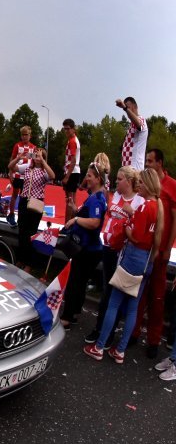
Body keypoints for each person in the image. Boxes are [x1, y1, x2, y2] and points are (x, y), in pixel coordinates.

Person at [84, 168, 161, 364]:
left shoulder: (145, 207)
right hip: (145, 260)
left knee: (114, 303)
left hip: (133, 257)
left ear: (148, 185)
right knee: (133, 308)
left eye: (142, 183)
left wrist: (126, 227)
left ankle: (100, 346)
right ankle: (120, 350)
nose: (139, 186)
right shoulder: (156, 207)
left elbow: (137, 236)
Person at [82, 166, 143, 344]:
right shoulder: (115, 196)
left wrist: (130, 214)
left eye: (120, 179)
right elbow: (109, 216)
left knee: (116, 293)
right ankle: (100, 328)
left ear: (129, 182)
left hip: (124, 253)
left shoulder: (138, 201)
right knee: (107, 290)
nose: (116, 182)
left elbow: (139, 228)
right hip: (108, 248)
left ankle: (108, 335)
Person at [132, 149, 176, 359]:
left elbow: (174, 220)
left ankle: (154, 340)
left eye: (150, 161)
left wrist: (167, 248)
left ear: (160, 162)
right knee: (138, 295)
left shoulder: (172, 185)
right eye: (146, 160)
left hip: (159, 253)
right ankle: (133, 331)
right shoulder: (145, 184)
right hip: (143, 250)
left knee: (157, 298)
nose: (147, 164)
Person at [60, 161, 108, 329]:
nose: (86, 178)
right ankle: (73, 314)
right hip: (89, 247)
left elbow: (94, 222)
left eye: (89, 176)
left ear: (98, 179)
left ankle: (67, 316)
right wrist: (75, 209)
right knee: (78, 282)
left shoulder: (97, 198)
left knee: (75, 282)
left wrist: (76, 218)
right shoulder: (94, 196)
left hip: (89, 249)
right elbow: (88, 216)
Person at [12, 147, 55, 272]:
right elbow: (11, 167)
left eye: (39, 156)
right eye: (35, 155)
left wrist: (43, 161)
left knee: (31, 233)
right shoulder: (27, 168)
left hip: (36, 202)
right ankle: (21, 259)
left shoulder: (44, 171)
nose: (37, 158)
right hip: (24, 201)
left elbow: (52, 176)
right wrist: (18, 158)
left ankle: (29, 263)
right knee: (22, 231)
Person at [6, 126, 36, 227]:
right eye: (22, 135)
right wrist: (10, 173)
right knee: (14, 195)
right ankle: (11, 215)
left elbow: (34, 162)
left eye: (26, 134)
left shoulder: (33, 147)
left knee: (24, 198)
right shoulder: (17, 146)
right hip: (17, 174)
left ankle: (21, 217)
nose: (24, 137)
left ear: (30, 136)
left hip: (27, 176)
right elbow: (12, 159)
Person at [117, 96, 147, 171]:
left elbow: (139, 124)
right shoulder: (131, 126)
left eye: (128, 107)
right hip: (128, 168)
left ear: (135, 106)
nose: (127, 111)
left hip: (135, 167)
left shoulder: (141, 119)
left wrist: (125, 108)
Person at [62, 118, 81, 222]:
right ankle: (72, 223)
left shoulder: (73, 141)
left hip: (72, 172)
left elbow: (73, 161)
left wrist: (67, 176)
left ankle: (67, 225)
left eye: (68, 129)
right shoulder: (73, 140)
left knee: (69, 200)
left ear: (73, 129)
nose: (66, 131)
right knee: (72, 200)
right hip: (74, 171)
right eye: (64, 129)